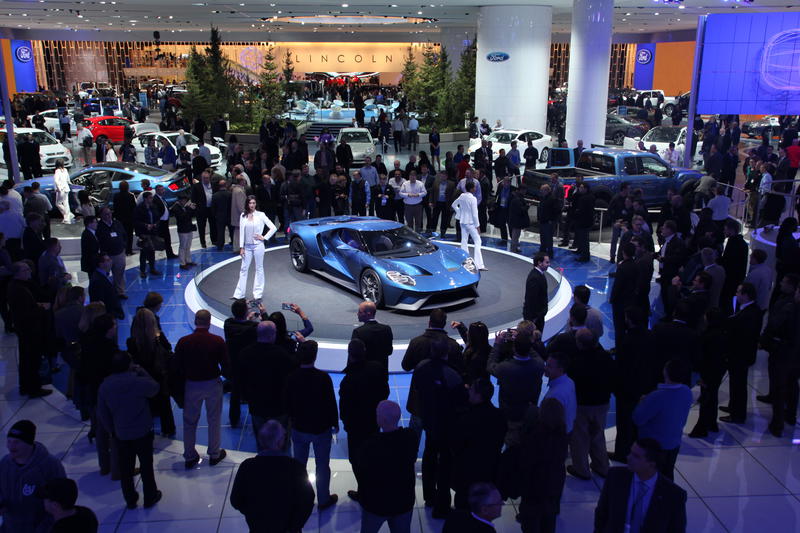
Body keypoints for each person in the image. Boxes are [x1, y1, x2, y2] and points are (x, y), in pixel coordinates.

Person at [409, 336, 468, 518]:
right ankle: (442, 505)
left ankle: (429, 496)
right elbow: (461, 400)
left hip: (428, 419)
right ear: (447, 353)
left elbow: (417, 388)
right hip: (447, 424)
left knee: (429, 456)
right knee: (445, 464)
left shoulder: (420, 368)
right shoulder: (451, 374)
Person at [96, 351, 162, 509]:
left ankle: (130, 499)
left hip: (121, 433)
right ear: (129, 365)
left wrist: (112, 430)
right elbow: (155, 388)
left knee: (125, 468)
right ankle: (150, 496)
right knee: (146, 465)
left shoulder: (105, 386)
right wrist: (143, 371)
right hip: (143, 431)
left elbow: (102, 413)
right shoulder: (137, 381)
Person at [230, 420, 315, 532]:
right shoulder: (295, 468)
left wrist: (253, 514)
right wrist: (294, 526)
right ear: (280, 442)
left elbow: (236, 500)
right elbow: (308, 500)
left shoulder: (247, 467)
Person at [285, 340, 340, 510]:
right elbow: (330, 403)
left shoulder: (291, 377)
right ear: (315, 357)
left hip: (299, 428)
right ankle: (323, 499)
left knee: (299, 465)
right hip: (320, 429)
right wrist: (334, 423)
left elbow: (287, 404)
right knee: (322, 465)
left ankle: (299, 498)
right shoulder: (323, 378)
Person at [594, 438, 687, 533]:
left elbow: (676, 530)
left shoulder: (674, 495)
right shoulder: (615, 476)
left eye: (636, 456)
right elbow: (601, 513)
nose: (628, 457)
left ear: (651, 464)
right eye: (631, 452)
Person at [174, 310, 230, 469]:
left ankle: (190, 455)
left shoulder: (184, 341)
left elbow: (177, 365)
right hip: (212, 383)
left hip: (191, 384)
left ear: (196, 321)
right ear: (209, 321)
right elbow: (225, 365)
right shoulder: (217, 341)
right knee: (214, 419)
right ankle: (214, 454)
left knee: (190, 421)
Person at [355, 400, 418, 533]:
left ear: (381, 420)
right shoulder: (410, 438)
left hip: (376, 505)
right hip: (404, 502)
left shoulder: (369, 446)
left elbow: (362, 474)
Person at [339, 339, 389, 501]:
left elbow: (344, 408)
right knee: (372, 454)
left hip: (355, 426)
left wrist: (346, 424)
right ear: (365, 351)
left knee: (356, 459)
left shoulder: (347, 380)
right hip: (374, 421)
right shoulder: (377, 368)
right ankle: (374, 487)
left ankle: (364, 492)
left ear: (349, 354)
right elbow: (385, 392)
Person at [450, 378, 507, 510]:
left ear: (478, 395)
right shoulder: (500, 416)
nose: (468, 390)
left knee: (463, 506)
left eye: (471, 389)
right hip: (489, 470)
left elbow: (456, 446)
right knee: (482, 507)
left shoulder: (466, 419)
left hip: (467, 471)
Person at [0, 420, 66, 533]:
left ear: (28, 443)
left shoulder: (50, 465)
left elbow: (61, 501)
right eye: (9, 441)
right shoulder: (4, 463)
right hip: (10, 528)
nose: (11, 446)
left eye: (16, 442)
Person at [566, 329, 615, 481]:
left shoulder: (575, 362)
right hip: (602, 403)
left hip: (582, 405)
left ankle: (581, 469)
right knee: (598, 434)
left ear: (579, 343)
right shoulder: (606, 357)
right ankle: (602, 466)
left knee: (580, 438)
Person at [632, 360, 692, 480]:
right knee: (668, 475)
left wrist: (642, 402)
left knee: (651, 479)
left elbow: (637, 419)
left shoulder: (656, 396)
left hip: (654, 447)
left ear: (665, 372)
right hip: (674, 442)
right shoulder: (686, 391)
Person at [239, 320, 296, 444]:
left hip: (256, 406)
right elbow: (291, 383)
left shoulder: (245, 354)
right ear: (273, 335)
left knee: (261, 441)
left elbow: (241, 381)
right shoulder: (283, 356)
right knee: (282, 443)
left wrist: (248, 397)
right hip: (279, 407)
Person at [487, 334, 542, 447]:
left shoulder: (505, 368)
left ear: (514, 348)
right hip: (530, 413)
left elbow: (490, 366)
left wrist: (497, 344)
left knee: (511, 448)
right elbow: (537, 357)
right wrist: (524, 342)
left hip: (510, 415)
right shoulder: (539, 365)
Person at [720, 283, 763, 425]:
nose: (736, 294)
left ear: (746, 295)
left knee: (738, 384)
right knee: (736, 383)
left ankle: (737, 414)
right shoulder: (751, 310)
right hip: (740, 355)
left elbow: (742, 336)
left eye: (738, 292)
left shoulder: (749, 314)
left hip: (740, 355)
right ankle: (734, 407)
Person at [6, 262, 51, 396]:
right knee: (32, 360)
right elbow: (26, 313)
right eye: (25, 270)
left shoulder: (15, 286)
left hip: (24, 329)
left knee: (27, 359)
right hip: (29, 330)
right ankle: (34, 388)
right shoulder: (18, 289)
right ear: (17, 273)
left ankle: (26, 386)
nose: (29, 272)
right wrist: (42, 308)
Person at [232, 195, 277, 302]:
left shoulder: (261, 215)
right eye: (250, 203)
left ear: (256, 204)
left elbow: (273, 227)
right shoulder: (243, 215)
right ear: (247, 204)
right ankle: (239, 294)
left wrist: (264, 237)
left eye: (253, 203)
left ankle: (257, 294)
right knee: (243, 269)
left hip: (258, 246)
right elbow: (242, 232)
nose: (252, 205)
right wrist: (241, 247)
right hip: (246, 247)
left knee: (259, 268)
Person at [401, 308, 464, 372]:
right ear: (444, 324)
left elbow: (406, 366)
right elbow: (461, 369)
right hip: (447, 381)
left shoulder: (415, 342)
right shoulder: (454, 345)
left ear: (429, 322)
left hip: (421, 380)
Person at [351, 300, 393, 375]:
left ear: (368, 313)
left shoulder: (358, 332)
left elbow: (354, 356)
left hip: (364, 376)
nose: (357, 314)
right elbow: (389, 351)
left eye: (360, 312)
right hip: (382, 375)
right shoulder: (387, 329)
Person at [452, 180, 486, 271]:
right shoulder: (473, 199)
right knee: (478, 241)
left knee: (464, 241)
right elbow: (475, 214)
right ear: (471, 188)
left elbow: (454, 205)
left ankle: (465, 261)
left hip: (462, 222)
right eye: (474, 187)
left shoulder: (462, 196)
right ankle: (479, 265)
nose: (475, 188)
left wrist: (459, 213)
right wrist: (478, 226)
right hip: (470, 223)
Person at [96, 207, 128, 299]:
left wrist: (123, 246)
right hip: (107, 255)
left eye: (110, 213)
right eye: (106, 214)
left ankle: (120, 292)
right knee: (104, 275)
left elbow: (124, 235)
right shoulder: (99, 226)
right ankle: (106, 294)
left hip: (119, 253)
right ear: (101, 215)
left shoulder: (117, 223)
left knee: (119, 274)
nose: (109, 215)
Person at [543, 351, 577, 433]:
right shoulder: (569, 381)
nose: (545, 368)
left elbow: (549, 424)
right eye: (546, 364)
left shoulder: (554, 396)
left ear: (560, 369)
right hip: (566, 431)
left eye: (549, 366)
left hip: (555, 437)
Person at [133, 192, 161, 279]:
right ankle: (142, 271)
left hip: (152, 232)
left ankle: (152, 268)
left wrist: (156, 224)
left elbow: (157, 217)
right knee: (144, 253)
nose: (151, 199)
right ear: (145, 199)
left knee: (152, 251)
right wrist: (146, 225)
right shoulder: (139, 208)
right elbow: (136, 221)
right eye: (150, 198)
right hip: (144, 233)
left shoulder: (153, 207)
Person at [523, 252, 550, 333]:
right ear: (539, 263)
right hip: (535, 318)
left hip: (538, 316)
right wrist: (534, 318)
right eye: (547, 262)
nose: (549, 264)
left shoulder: (540, 274)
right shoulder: (534, 278)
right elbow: (531, 300)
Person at [170, 194, 197, 270]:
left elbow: (190, 215)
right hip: (182, 230)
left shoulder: (184, 206)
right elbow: (182, 217)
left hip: (189, 228)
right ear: (180, 200)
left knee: (188, 246)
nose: (185, 201)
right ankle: (182, 263)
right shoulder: (176, 208)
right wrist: (189, 208)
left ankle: (188, 260)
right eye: (184, 200)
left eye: (186, 200)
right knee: (183, 246)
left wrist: (192, 209)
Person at [191, 170, 215, 248]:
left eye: (207, 178)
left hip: (211, 209)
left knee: (213, 225)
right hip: (201, 210)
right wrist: (197, 209)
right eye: (204, 178)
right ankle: (203, 242)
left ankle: (214, 240)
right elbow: (193, 199)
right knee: (201, 227)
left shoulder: (213, 185)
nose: (206, 180)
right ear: (201, 178)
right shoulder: (196, 186)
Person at [153, 184, 177, 259]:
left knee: (167, 239)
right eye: (161, 190)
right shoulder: (155, 199)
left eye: (163, 189)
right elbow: (156, 211)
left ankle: (170, 254)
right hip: (160, 223)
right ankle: (156, 256)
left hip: (165, 222)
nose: (163, 191)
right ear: (157, 191)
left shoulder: (162, 198)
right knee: (161, 239)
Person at [212, 180, 232, 251]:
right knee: (231, 231)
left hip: (220, 217)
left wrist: (215, 215)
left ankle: (220, 245)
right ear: (225, 185)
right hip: (229, 216)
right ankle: (233, 243)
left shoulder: (215, 196)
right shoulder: (230, 194)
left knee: (220, 232)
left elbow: (213, 208)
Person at [52, 160, 73, 224]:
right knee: (66, 203)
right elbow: (68, 180)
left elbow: (56, 181)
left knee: (58, 203)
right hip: (66, 188)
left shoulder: (57, 171)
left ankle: (68, 216)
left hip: (61, 190)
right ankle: (68, 217)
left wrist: (59, 188)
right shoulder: (65, 170)